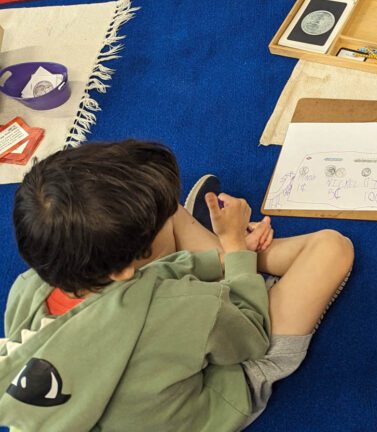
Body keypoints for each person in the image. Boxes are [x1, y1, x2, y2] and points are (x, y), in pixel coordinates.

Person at [0, 141, 354, 431]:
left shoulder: (26, 287)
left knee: (166, 209)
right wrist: (233, 250)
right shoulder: (178, 306)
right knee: (332, 247)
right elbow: (251, 335)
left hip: (153, 349)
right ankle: (233, 248)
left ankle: (228, 249)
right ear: (125, 269)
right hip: (217, 388)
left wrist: (228, 254)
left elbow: (142, 286)